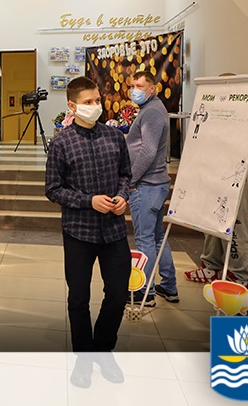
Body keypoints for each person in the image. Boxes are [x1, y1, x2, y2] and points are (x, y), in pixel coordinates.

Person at [45, 77, 131, 379]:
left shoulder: (115, 137)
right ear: (72, 106)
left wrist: (123, 196)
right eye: (88, 102)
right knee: (78, 297)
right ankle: (83, 358)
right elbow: (53, 189)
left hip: (114, 230)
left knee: (118, 294)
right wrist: (88, 201)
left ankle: (103, 351)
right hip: (79, 231)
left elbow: (126, 174)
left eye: (97, 100)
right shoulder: (61, 143)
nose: (95, 106)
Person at [186, 117, 248, 287]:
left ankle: (238, 276)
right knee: (212, 222)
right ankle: (211, 266)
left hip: (240, 178)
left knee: (236, 227)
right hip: (217, 175)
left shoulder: (246, 113)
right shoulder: (217, 111)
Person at [126, 70, 177, 306]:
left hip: (147, 185)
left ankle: (145, 292)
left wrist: (130, 181)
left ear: (152, 89)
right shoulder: (150, 109)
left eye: (140, 86)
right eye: (132, 85)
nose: (134, 90)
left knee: (145, 239)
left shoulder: (153, 112)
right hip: (153, 184)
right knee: (157, 237)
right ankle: (168, 286)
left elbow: (148, 151)